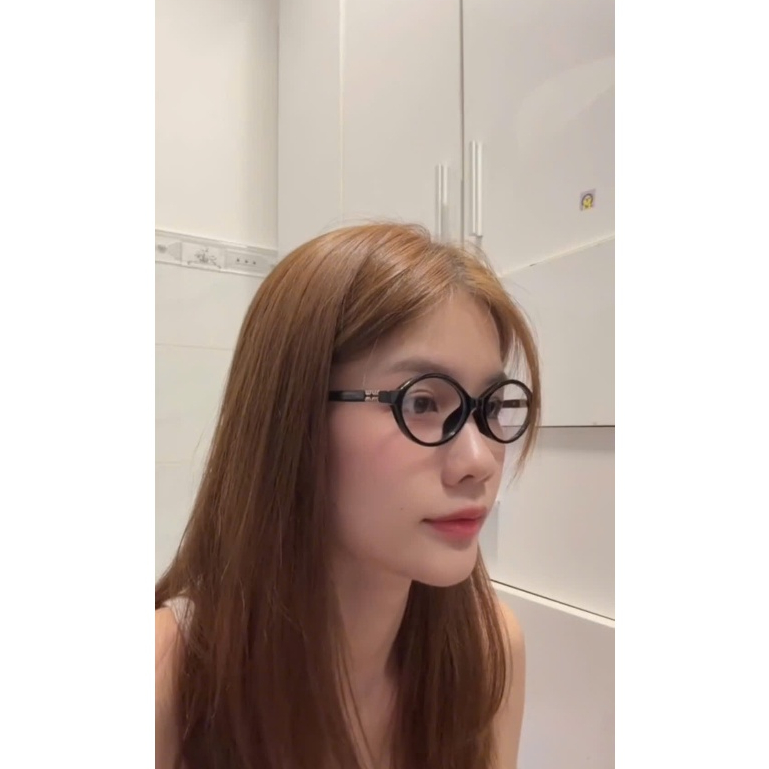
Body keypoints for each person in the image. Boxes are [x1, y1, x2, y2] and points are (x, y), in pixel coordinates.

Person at [155, 222, 541, 769]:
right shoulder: (165, 680)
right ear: (294, 418)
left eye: (493, 406)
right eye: (422, 403)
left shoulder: (489, 652)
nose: (479, 461)